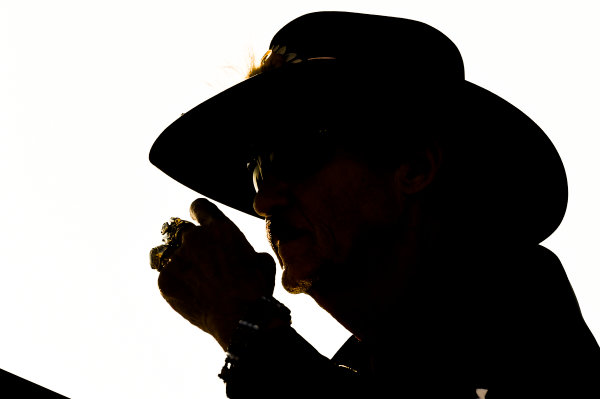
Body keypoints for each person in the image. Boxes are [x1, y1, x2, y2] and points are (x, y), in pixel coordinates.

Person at [149, 11, 600, 398]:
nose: (264, 200)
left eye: (296, 153)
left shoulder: (518, 301)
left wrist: (247, 326)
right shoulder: (365, 366)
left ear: (413, 168)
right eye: (258, 171)